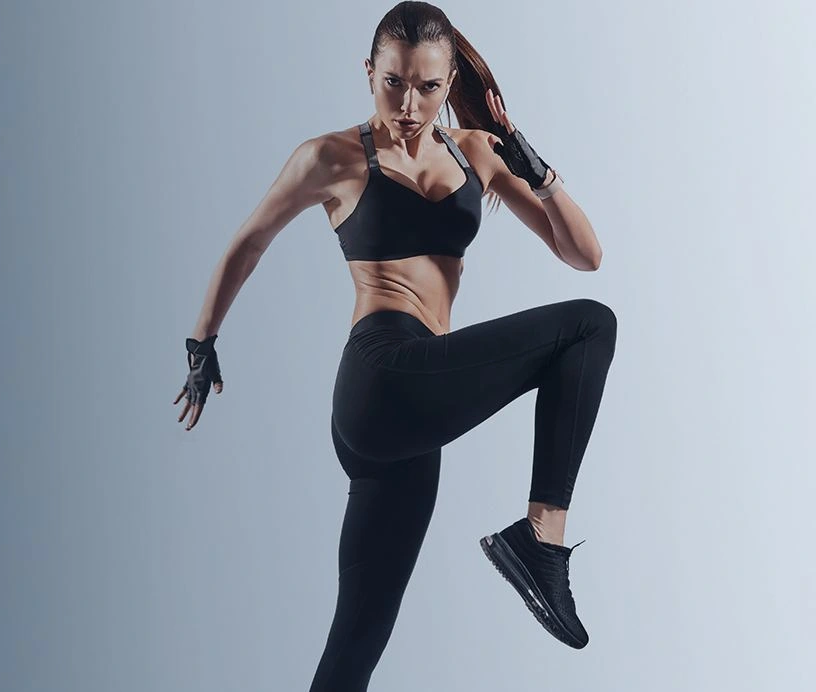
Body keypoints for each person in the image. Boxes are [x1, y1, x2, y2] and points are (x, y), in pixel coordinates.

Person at [169, 2, 617, 689]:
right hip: (379, 376)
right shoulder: (331, 157)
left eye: (428, 88)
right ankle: (540, 541)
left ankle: (534, 547)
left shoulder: (475, 153)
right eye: (393, 83)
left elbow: (581, 253)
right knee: (587, 326)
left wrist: (527, 157)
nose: (409, 105)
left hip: (413, 419)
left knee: (358, 641)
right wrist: (201, 344)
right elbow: (248, 241)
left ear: (446, 85)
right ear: (368, 73)